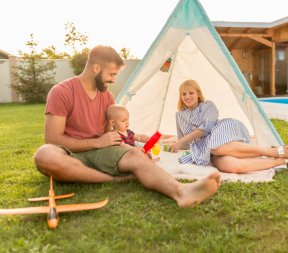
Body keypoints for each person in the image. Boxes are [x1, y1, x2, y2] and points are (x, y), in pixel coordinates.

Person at [33, 46, 220, 208]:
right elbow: (53, 139)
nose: (114, 80)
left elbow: (114, 135)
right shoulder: (62, 92)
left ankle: (181, 191)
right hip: (69, 152)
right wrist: (97, 142)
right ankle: (116, 179)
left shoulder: (107, 98)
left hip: (100, 152)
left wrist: (134, 149)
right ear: (96, 68)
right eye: (112, 74)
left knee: (135, 154)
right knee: (44, 154)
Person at [169, 79, 288, 173]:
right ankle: (284, 160)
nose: (187, 97)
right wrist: (172, 142)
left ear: (198, 94)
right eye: (183, 94)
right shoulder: (178, 116)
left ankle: (273, 152)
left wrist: (181, 141)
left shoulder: (208, 106)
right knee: (234, 166)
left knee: (216, 146)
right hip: (206, 151)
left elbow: (205, 128)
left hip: (220, 132)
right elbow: (184, 143)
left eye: (191, 92)